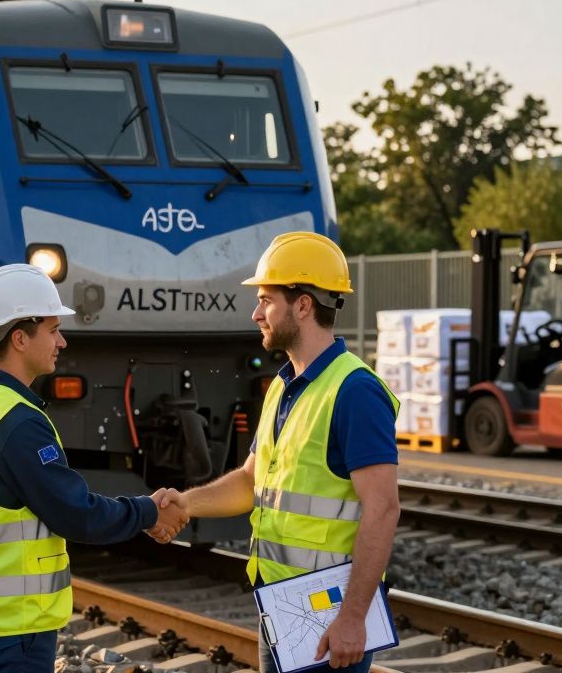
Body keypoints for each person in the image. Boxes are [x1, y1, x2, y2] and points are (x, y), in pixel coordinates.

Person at [152, 232, 400, 673]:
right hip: (284, 604)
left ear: (302, 305)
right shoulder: (285, 386)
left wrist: (353, 619)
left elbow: (382, 509)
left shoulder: (355, 391)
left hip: (329, 612)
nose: (256, 313)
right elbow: (252, 480)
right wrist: (184, 503)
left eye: (266, 300)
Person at [0, 263, 189, 672]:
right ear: (19, 337)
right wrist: (149, 511)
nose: (61, 341)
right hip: (11, 628)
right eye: (51, 329)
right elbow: (76, 514)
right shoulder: (16, 421)